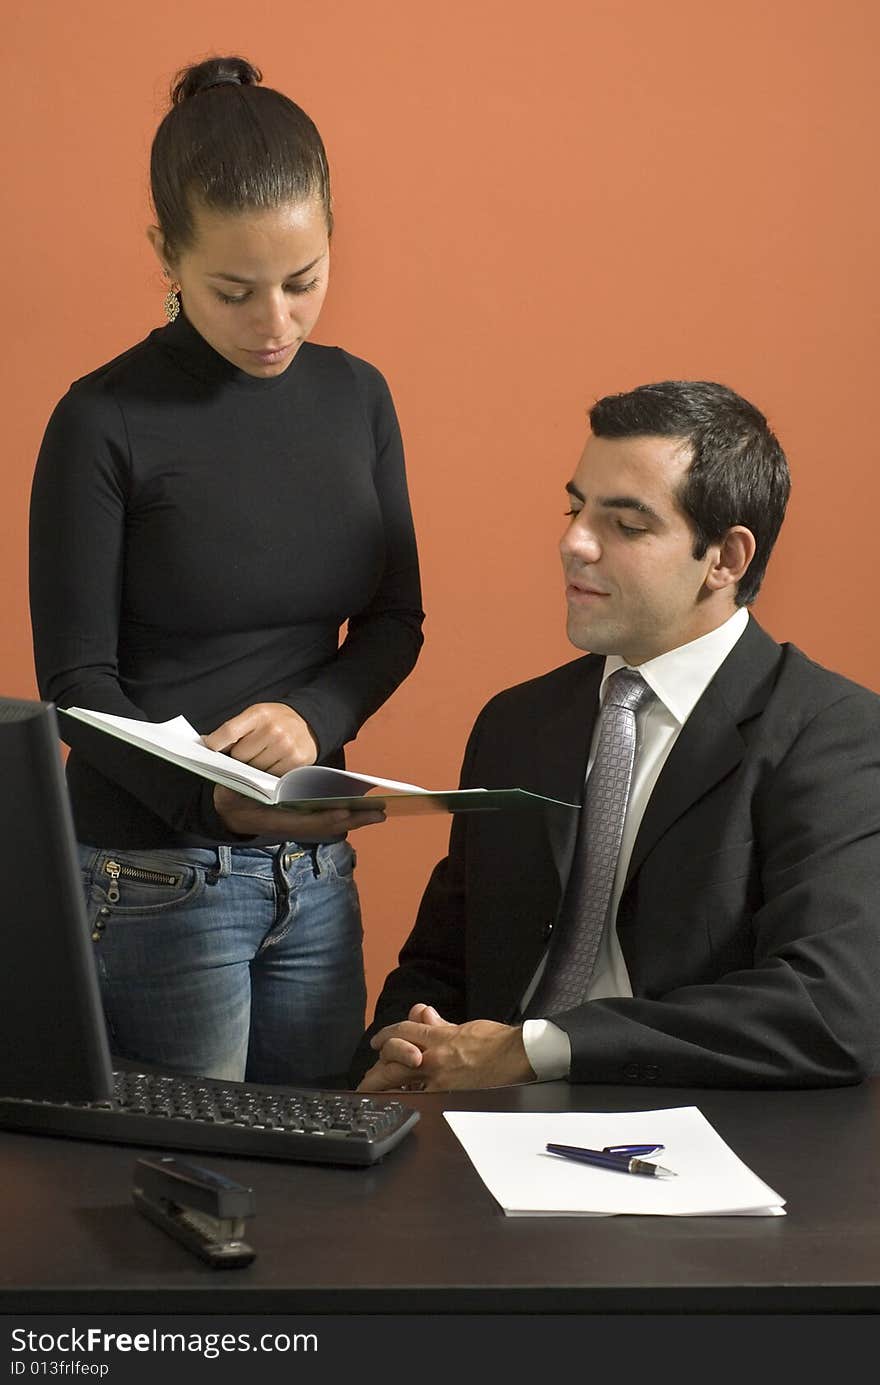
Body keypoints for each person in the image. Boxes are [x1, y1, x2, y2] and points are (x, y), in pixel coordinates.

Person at [29, 56, 424, 1088]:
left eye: (305, 281)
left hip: (317, 871)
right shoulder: (102, 419)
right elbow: (77, 690)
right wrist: (216, 807)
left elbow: (395, 621)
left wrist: (309, 714)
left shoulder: (357, 397)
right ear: (165, 254)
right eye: (234, 291)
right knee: (178, 1203)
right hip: (149, 876)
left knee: (322, 1185)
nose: (277, 323)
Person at [353, 379, 880, 1093]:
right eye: (576, 507)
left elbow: (828, 1006)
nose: (573, 542)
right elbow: (442, 963)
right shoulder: (516, 722)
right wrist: (401, 1054)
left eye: (626, 526)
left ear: (726, 558)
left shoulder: (833, 734)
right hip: (477, 1129)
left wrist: (536, 1048)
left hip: (682, 1142)